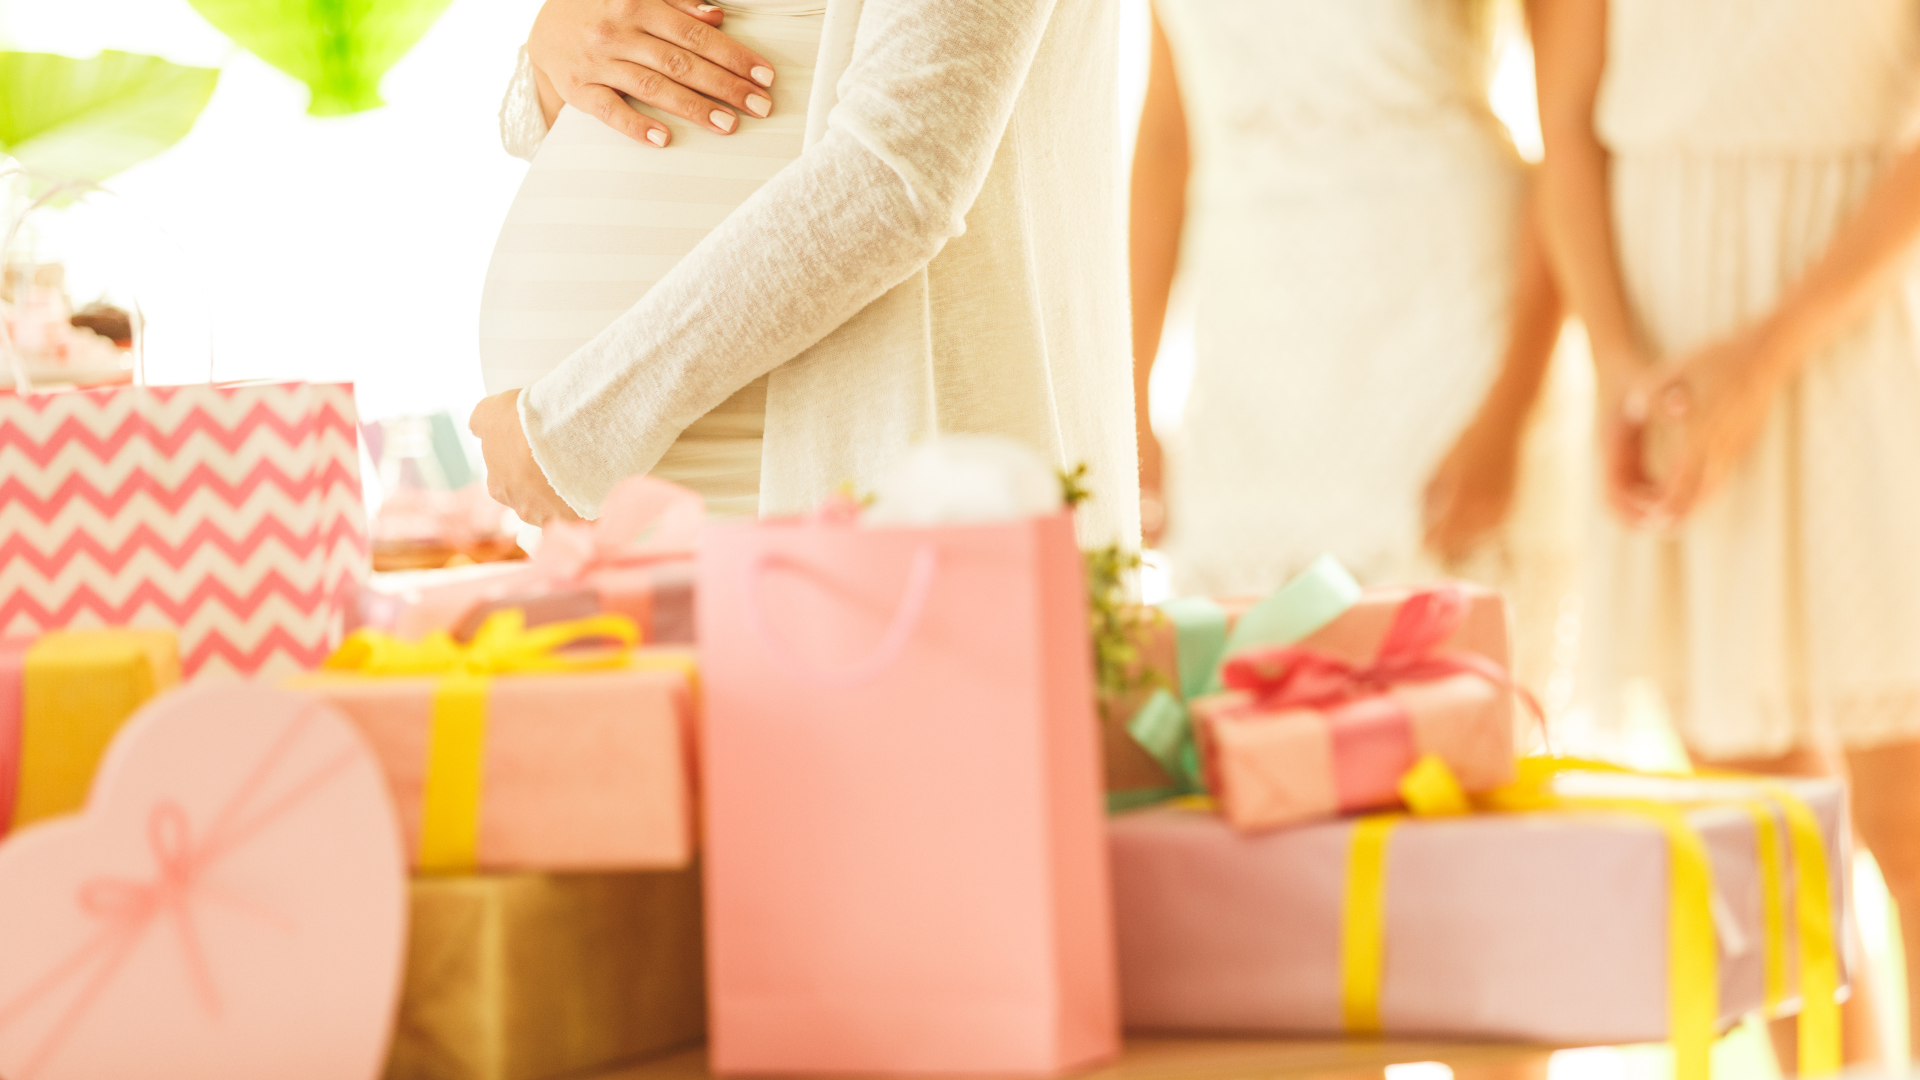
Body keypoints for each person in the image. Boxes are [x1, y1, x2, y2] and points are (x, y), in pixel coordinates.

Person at [1533, 0, 1920, 1065]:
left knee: (1908, 817)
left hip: (1846, 336)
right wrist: (1616, 362)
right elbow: (1562, 128)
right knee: (1771, 838)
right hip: (1659, 350)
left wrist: (1769, 348)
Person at [469, 0, 1139, 548]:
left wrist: (578, 429)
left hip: (823, 490)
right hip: (630, 510)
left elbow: (900, 173)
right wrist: (555, 52)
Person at [1130, 0, 1569, 688]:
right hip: (1246, 363)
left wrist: (1511, 408)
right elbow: (1166, 135)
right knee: (1238, 746)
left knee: (1444, 738)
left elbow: (1569, 143)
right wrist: (1129, 395)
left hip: (1443, 345)